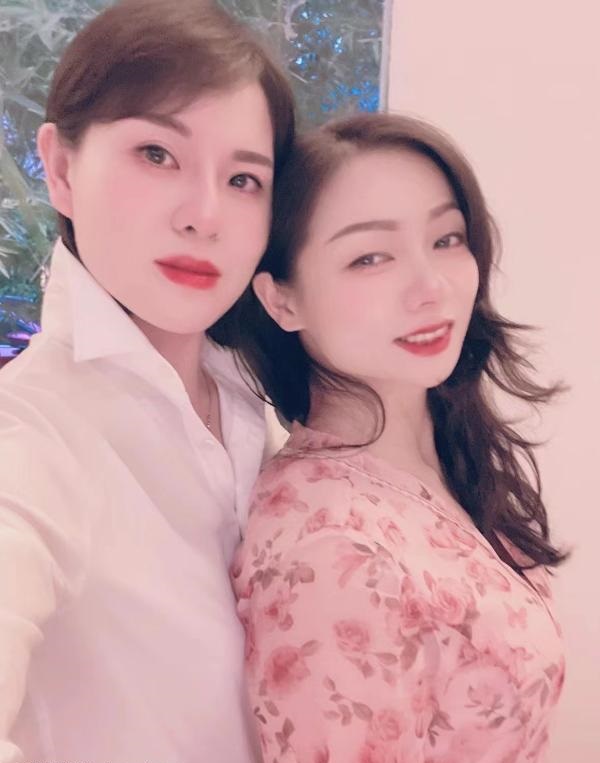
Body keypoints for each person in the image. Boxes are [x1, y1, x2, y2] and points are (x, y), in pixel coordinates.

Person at [0, 1, 294, 761]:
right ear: (61, 169)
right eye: (157, 154)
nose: (205, 215)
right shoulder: (29, 433)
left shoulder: (258, 401)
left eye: (244, 179)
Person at [231, 113, 566, 762]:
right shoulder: (329, 550)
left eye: (446, 239)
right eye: (370, 257)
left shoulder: (449, 450)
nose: (431, 287)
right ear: (281, 300)